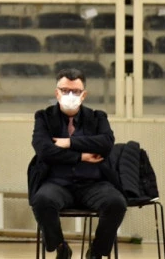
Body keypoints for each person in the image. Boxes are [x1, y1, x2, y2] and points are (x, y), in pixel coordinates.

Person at [29, 68, 127, 259]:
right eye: (65, 90)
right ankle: (60, 247)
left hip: (93, 183)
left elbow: (106, 143)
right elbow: (44, 150)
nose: (70, 95)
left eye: (75, 91)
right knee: (42, 201)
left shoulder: (97, 117)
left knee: (116, 203)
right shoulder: (44, 117)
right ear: (57, 92)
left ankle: (96, 252)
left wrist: (69, 143)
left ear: (84, 95)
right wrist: (81, 156)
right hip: (57, 183)